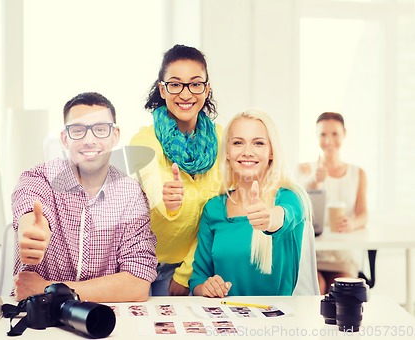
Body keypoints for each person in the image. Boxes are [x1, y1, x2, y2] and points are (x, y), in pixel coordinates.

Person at [11, 92, 157, 302]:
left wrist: (48, 288)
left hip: (101, 322)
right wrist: (32, 231)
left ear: (115, 135)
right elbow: (28, 205)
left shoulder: (132, 195)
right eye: (78, 130)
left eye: (100, 130)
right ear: (64, 138)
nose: (90, 140)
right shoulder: (40, 177)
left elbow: (137, 284)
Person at [129, 44, 223, 296]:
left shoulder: (223, 141)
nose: (185, 94)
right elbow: (152, 179)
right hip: (137, 264)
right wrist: (165, 198)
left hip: (193, 268)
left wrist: (185, 275)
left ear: (207, 88)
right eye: (175, 84)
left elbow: (217, 219)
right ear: (162, 89)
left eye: (195, 84)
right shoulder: (144, 139)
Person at [189, 109, 312, 297]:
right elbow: (198, 279)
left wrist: (269, 219)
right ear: (228, 152)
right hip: (224, 320)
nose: (247, 152)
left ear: (271, 152)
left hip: (275, 321)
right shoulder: (213, 208)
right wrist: (207, 287)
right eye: (238, 143)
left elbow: (285, 215)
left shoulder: (290, 197)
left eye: (258, 143)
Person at [298, 112, 367, 294]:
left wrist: (353, 223)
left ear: (344, 133)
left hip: (342, 254)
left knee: (344, 291)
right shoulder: (305, 169)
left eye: (334, 134)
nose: (328, 140)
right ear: (316, 136)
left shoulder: (357, 173)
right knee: (316, 289)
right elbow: (299, 205)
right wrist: (315, 180)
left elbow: (363, 214)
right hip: (313, 254)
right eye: (323, 134)